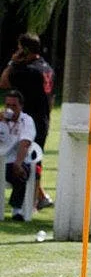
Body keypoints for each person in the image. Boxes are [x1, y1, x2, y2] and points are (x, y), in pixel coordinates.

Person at [0, 33, 54, 209]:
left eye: (19, 48)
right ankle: (39, 197)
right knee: (34, 159)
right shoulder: (47, 68)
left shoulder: (28, 71)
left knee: (27, 161)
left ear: (25, 50)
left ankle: (31, 201)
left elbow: (4, 82)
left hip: (30, 121)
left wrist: (12, 62)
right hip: (43, 118)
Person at [0, 91, 36, 221]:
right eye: (7, 105)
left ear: (21, 106)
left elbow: (25, 143)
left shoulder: (26, 121)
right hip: (0, 160)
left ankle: (17, 210)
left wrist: (18, 162)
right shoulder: (1, 119)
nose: (9, 109)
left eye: (14, 106)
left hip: (16, 160)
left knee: (20, 173)